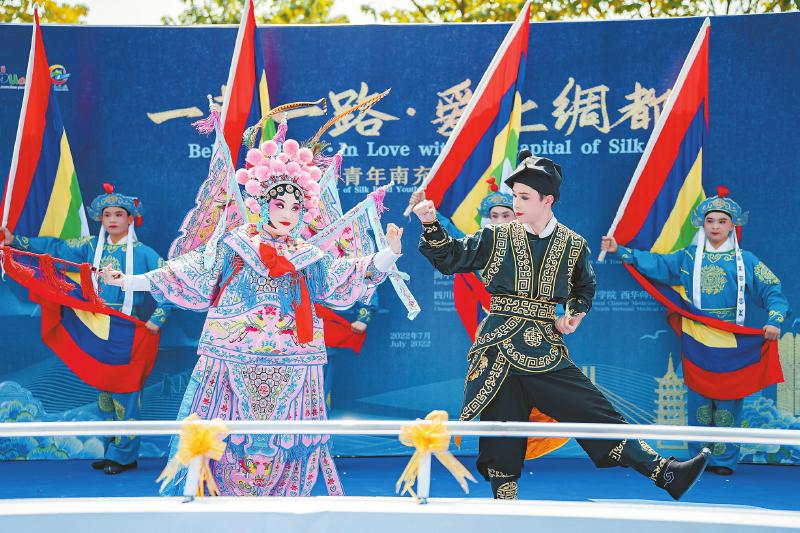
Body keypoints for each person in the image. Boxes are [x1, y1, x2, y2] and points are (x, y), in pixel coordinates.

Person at [100, 132, 403, 496]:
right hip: (231, 354)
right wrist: (130, 280)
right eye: (281, 205)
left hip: (293, 358)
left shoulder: (307, 253)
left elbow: (341, 278)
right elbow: (190, 271)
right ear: (262, 204)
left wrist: (388, 255)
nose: (289, 214)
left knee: (286, 441)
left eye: (296, 207)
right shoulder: (235, 243)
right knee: (222, 434)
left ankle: (279, 505)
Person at [413, 150, 709, 501]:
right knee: (502, 429)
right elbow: (450, 258)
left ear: (547, 199)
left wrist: (575, 311)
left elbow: (585, 286)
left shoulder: (572, 244)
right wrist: (430, 222)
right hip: (497, 346)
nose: (516, 204)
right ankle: (504, 508)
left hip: (543, 346)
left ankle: (664, 472)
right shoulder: (494, 237)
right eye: (514, 196)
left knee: (592, 410)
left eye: (524, 197)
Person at [601, 188, 790, 476]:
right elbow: (659, 265)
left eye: (721, 221)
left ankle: (724, 461)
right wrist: (621, 251)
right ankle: (697, 461)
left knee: (728, 406)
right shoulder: (689, 258)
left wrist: (774, 320)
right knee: (699, 406)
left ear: (732, 225)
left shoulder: (746, 261)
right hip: (696, 338)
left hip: (730, 340)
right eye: (710, 220)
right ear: (703, 224)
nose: (715, 226)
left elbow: (773, 291)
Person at [1, 184, 171, 475]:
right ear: (101, 220)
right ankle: (111, 451)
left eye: (120, 214)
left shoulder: (145, 254)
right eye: (107, 215)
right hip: (95, 326)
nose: (113, 219)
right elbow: (55, 248)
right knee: (104, 395)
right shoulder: (91, 247)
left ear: (131, 219)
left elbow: (168, 284)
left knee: (126, 396)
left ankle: (126, 455)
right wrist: (15, 241)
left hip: (126, 329)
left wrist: (158, 317)